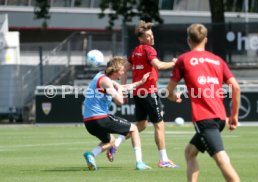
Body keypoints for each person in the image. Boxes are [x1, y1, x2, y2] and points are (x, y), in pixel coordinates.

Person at [167, 23, 240, 182]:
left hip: (204, 119)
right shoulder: (217, 60)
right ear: (205, 40)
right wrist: (234, 115)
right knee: (190, 152)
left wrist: (173, 97)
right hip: (220, 117)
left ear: (188, 40)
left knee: (221, 159)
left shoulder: (184, 59)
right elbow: (236, 87)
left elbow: (169, 90)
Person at [112, 20, 179, 168]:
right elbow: (159, 65)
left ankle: (115, 144)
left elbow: (124, 68)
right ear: (141, 38)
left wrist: (123, 88)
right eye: (148, 36)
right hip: (148, 91)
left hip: (138, 92)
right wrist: (174, 63)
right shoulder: (149, 50)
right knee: (159, 125)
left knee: (141, 125)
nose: (151, 38)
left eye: (152, 35)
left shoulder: (136, 51)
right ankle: (164, 160)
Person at [83, 56, 151, 171]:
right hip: (100, 118)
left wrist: (141, 82)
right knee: (134, 128)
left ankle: (91, 155)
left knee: (110, 140)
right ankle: (139, 163)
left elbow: (122, 87)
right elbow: (120, 101)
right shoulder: (106, 81)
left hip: (89, 122)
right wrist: (119, 90)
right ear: (115, 69)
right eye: (122, 69)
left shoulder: (102, 76)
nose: (124, 72)